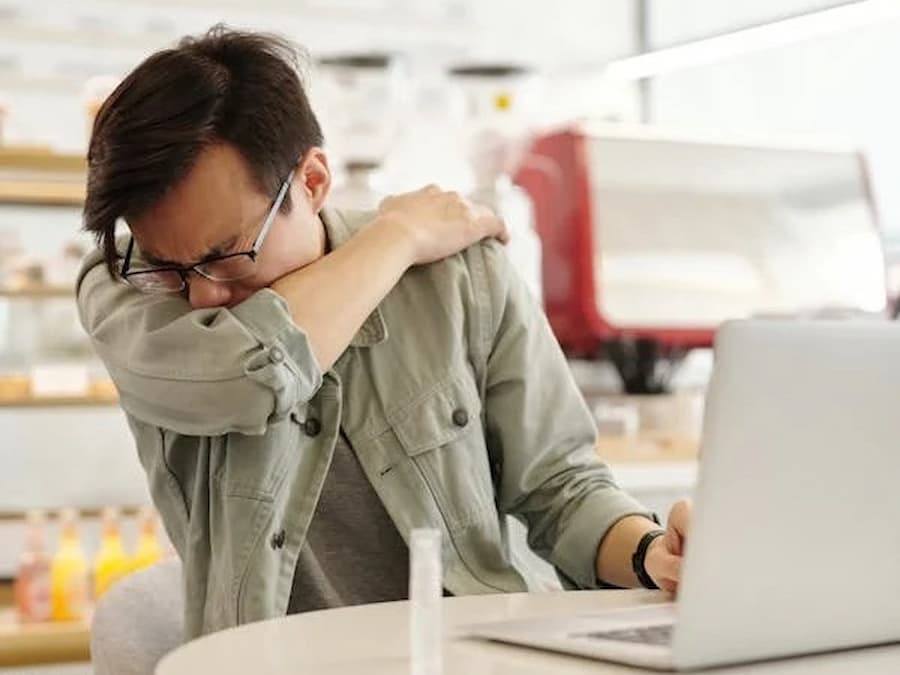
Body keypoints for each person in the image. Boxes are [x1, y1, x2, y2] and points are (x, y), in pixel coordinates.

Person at [77, 26, 691, 642]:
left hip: (462, 657)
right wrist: (396, 238)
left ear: (312, 182)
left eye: (228, 253)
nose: (202, 294)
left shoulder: (459, 276)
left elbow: (560, 487)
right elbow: (243, 375)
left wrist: (653, 552)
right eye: (171, 264)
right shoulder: (123, 286)